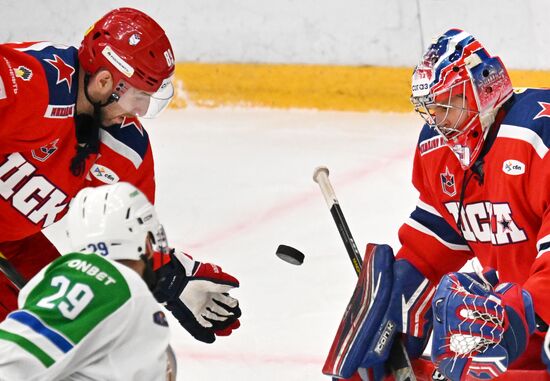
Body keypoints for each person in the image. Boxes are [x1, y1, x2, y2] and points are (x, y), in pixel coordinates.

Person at [0, 7, 241, 343]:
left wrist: (170, 279)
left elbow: (127, 231)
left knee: (71, 330)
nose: (141, 111)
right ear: (104, 83)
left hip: (14, 242)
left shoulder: (127, 148)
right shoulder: (31, 80)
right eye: (139, 95)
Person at [324, 29, 550, 380]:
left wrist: (526, 309)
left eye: (450, 103)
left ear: (486, 86)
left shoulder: (539, 137)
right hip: (517, 330)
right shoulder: (437, 151)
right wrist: (401, 292)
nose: (439, 121)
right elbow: (437, 238)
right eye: (432, 109)